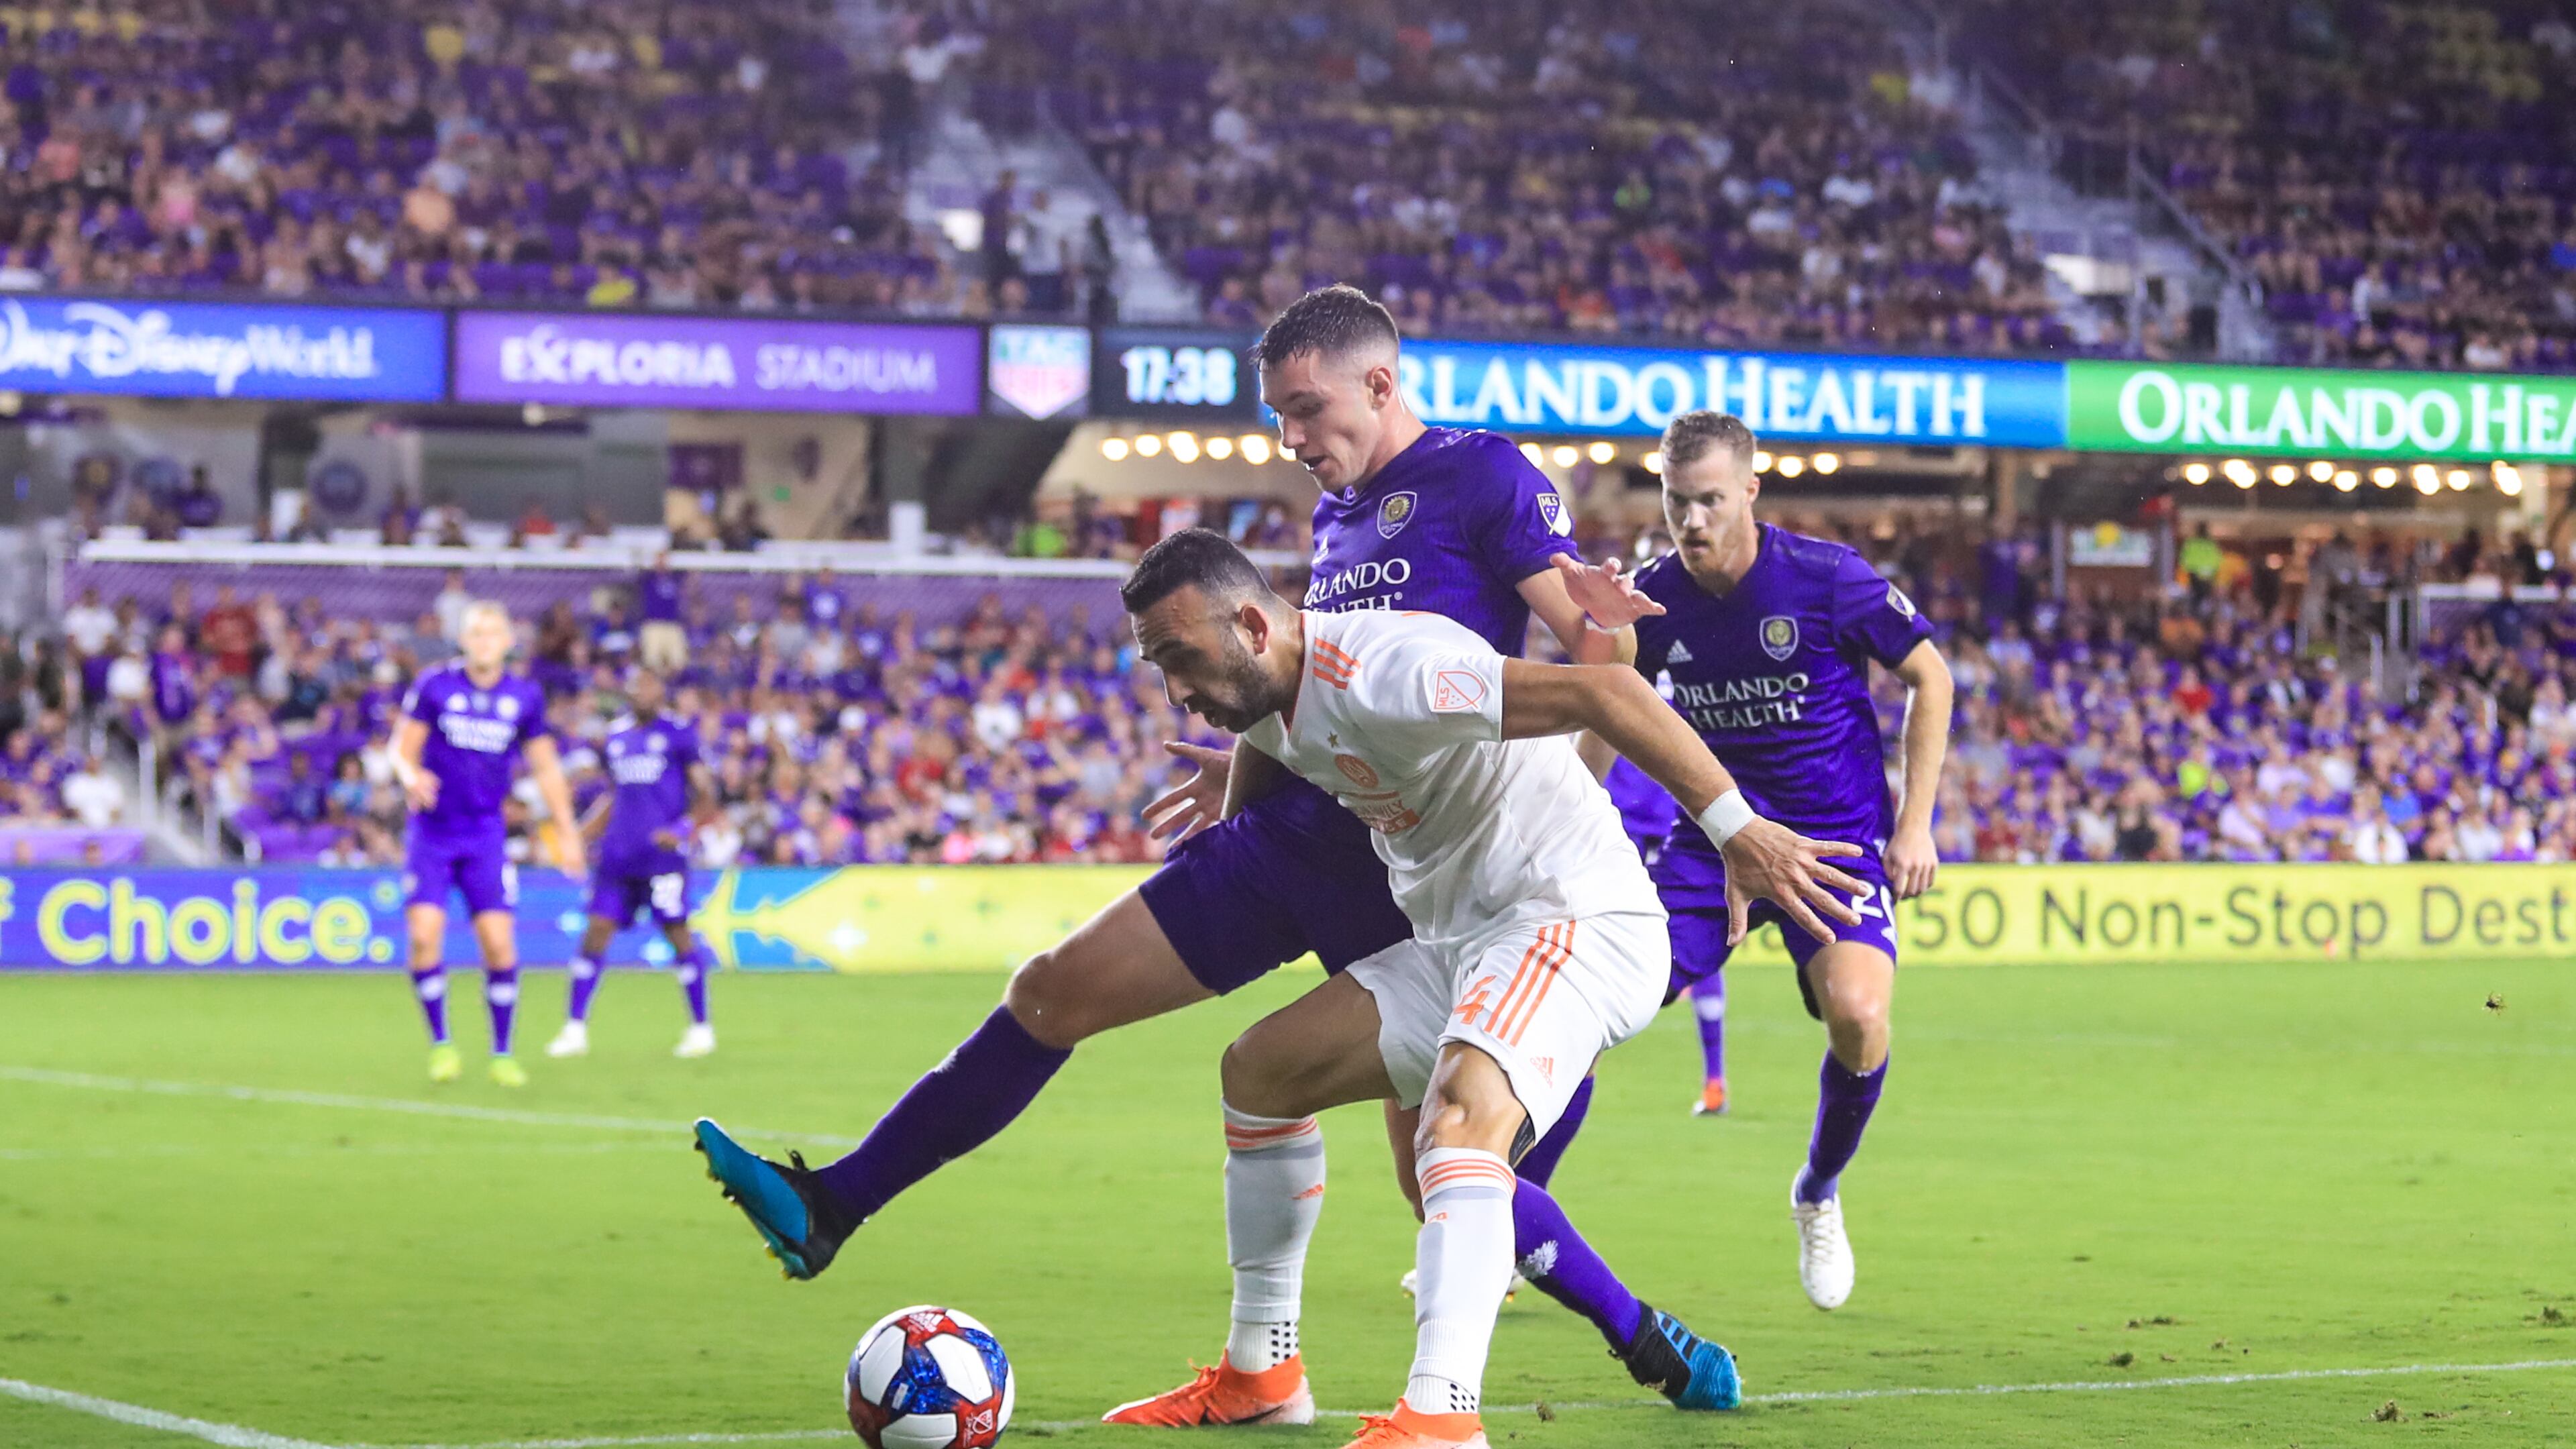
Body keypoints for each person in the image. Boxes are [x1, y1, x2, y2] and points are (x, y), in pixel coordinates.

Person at [688, 285, 1676, 1279]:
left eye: (1304, 410)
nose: (1290, 437)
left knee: (1444, 1182)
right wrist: (1244, 782)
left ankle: (1653, 1340)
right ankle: (834, 1204)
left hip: (1401, 870)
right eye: (1279, 416)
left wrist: (1585, 752)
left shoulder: (1480, 476)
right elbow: (1291, 677)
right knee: (1049, 991)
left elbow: (1598, 657)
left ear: (1378, 383)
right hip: (1286, 837)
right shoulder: (1338, 518)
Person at [1098, 531, 1862, 1445]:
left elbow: (1608, 689)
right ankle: (1263, 1373)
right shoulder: (1266, 693)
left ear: (1255, 625)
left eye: (1181, 658)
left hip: (1576, 920)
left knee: (1456, 1124)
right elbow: (1279, 754)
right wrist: (1237, 813)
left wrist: (1738, 828)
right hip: (1463, 939)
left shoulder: (1391, 672)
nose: (1175, 689)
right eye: (1160, 665)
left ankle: (1443, 1417)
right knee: (1261, 1074)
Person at [1621, 411, 1954, 1311]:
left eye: (1711, 502)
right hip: (1712, 844)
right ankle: (1502, 1221)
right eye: (1676, 501)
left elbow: (1933, 675)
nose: (1691, 521)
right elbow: (1600, 706)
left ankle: (1816, 1191)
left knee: (1856, 1013)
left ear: (1751, 493)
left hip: (1831, 845)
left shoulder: (1827, 578)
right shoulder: (1650, 602)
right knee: (1598, 1008)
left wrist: (1915, 824)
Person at [390, 602, 585, 1087]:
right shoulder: (436, 686)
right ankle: (441, 1044)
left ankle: (502, 1052)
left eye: (492, 632)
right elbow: (401, 749)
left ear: (506, 641)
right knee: (423, 936)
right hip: (433, 834)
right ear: (464, 638)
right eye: (475, 632)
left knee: (499, 945)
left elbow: (545, 767)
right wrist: (409, 775)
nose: (483, 640)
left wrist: (567, 830)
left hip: (484, 836)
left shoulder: (524, 696)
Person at [546, 666, 720, 1061]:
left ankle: (700, 1028)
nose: (638, 692)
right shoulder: (617, 737)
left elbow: (707, 792)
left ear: (660, 690)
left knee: (678, 935)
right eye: (632, 686)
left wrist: (684, 827)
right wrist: (582, 833)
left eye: (645, 684)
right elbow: (616, 796)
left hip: (662, 860)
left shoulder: (679, 734)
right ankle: (574, 1029)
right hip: (618, 857)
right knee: (595, 934)